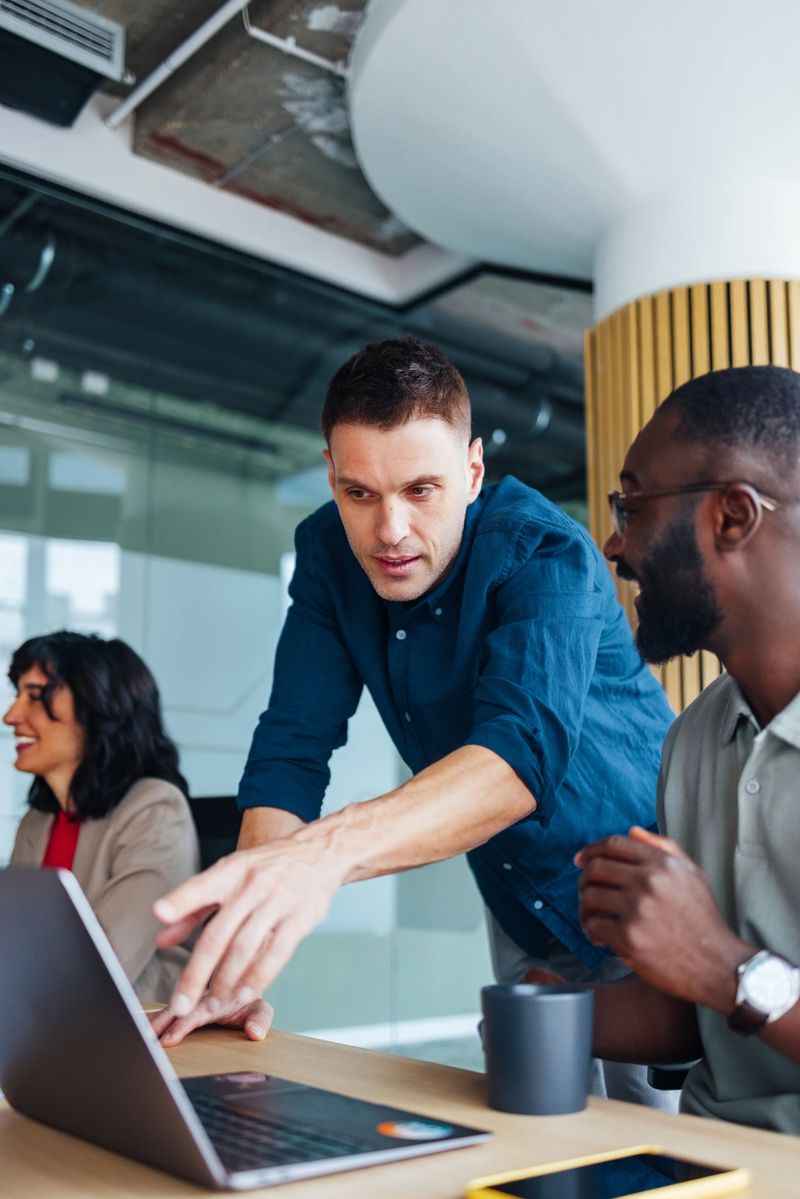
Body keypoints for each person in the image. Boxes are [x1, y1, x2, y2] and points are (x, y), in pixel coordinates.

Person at [152, 337, 674, 1102]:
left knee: (654, 1145)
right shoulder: (330, 556)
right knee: (543, 1142)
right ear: (331, 474)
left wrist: (319, 857)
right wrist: (244, 951)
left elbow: (517, 755)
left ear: (472, 471)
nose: (389, 529)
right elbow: (292, 748)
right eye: (359, 493)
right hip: (519, 903)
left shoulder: (544, 550)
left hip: (644, 894)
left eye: (421, 490)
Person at [574, 364, 800, 1134]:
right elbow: (692, 1014)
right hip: (704, 1157)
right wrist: (557, 1007)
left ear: (733, 516)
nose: (614, 542)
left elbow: (719, 975)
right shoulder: (693, 736)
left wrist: (719, 962)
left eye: (630, 504)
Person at [5, 631, 204, 1005]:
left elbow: (101, 967)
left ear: (97, 706)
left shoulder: (155, 809)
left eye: (34, 696)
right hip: (47, 1026)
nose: (11, 715)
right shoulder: (38, 821)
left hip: (140, 1039)